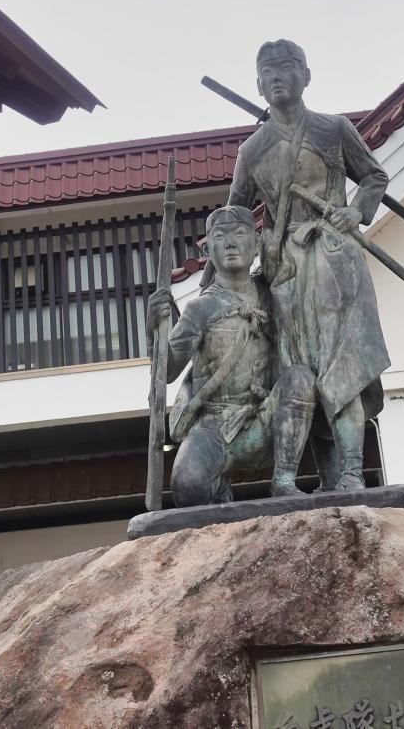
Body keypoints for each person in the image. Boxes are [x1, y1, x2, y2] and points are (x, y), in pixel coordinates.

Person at [224, 39, 391, 496]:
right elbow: (237, 215)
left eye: (286, 68)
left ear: (306, 76)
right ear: (258, 85)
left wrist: (356, 212)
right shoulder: (252, 150)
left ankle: (354, 473)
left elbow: (374, 175)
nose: (277, 77)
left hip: (337, 260)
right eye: (268, 72)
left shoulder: (334, 129)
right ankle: (322, 477)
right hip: (287, 273)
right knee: (300, 375)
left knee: (346, 367)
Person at [146, 205, 275, 504]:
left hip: (270, 413)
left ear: (256, 243)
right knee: (187, 484)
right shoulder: (200, 309)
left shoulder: (274, 293)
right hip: (215, 422)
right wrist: (154, 330)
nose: (230, 243)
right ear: (209, 250)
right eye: (220, 236)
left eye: (240, 233)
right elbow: (166, 373)